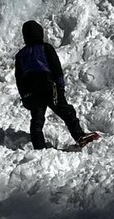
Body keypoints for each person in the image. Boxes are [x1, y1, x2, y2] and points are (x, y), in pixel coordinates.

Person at [14, 21, 95, 149]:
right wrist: (60, 86)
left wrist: (24, 96)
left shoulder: (20, 55)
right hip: (49, 86)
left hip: (31, 91)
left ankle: (39, 147)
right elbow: (56, 68)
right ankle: (80, 136)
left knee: (37, 120)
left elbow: (19, 78)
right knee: (66, 112)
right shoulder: (46, 48)